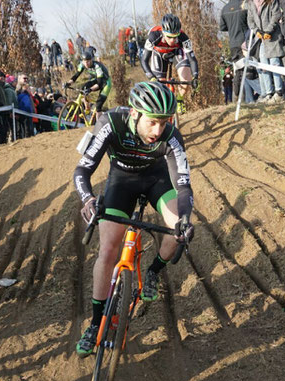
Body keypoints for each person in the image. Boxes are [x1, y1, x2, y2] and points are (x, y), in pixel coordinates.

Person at [72, 81, 194, 357]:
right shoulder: (110, 123)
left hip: (157, 179)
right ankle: (95, 323)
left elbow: (183, 185)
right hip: (122, 181)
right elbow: (82, 171)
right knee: (107, 250)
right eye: (152, 122)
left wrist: (184, 218)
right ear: (135, 114)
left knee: (177, 228)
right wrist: (88, 200)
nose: (158, 131)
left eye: (164, 123)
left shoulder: (171, 137)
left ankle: (152, 273)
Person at [141, 14, 199, 112]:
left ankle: (180, 99)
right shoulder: (153, 36)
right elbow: (144, 60)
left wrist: (195, 77)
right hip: (159, 53)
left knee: (186, 79)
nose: (172, 40)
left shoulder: (184, 38)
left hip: (176, 52)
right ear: (163, 32)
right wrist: (151, 77)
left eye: (175, 37)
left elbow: (192, 59)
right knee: (160, 86)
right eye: (169, 37)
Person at [245, 0, 285, 103]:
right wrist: (257, 31)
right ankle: (269, 93)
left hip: (273, 37)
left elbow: (276, 16)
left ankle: (279, 91)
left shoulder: (272, 1)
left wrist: (268, 30)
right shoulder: (251, 4)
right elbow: (250, 21)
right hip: (261, 39)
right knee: (263, 66)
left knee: (274, 63)